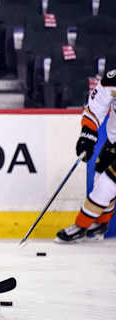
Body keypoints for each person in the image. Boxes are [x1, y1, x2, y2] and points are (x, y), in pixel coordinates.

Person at [55, 68, 116, 243]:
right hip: (113, 142)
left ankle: (81, 226)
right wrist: (87, 134)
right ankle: (100, 224)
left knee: (108, 184)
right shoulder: (112, 79)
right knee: (99, 178)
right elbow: (96, 107)